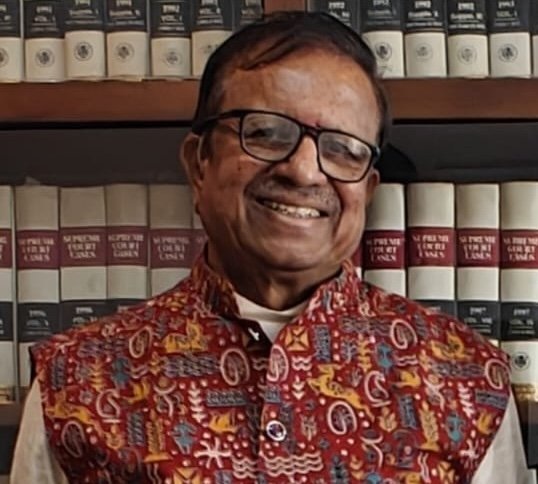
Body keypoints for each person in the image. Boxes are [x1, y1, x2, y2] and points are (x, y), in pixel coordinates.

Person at [11, 10, 533, 484]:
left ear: (368, 191)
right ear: (199, 164)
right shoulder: (75, 381)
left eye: (343, 149)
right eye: (264, 132)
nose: (304, 171)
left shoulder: (466, 381)